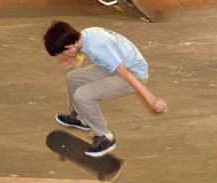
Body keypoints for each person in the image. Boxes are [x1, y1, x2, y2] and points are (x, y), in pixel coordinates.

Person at [43, 20, 168, 157]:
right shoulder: (84, 35)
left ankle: (105, 137)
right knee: (73, 78)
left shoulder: (98, 47)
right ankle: (81, 118)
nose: (63, 56)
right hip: (113, 67)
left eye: (62, 52)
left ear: (69, 46)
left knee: (83, 95)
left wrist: (151, 100)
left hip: (133, 75)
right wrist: (77, 58)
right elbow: (84, 50)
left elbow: (126, 73)